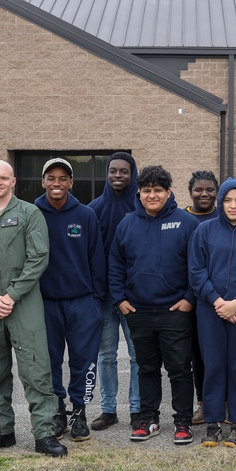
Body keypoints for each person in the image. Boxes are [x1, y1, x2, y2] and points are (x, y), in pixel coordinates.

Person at [0, 160, 67, 457]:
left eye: (3, 177)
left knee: (36, 370)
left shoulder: (29, 214)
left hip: (24, 304)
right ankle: (1, 431)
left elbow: (39, 257)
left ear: (13, 181)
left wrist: (11, 295)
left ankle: (44, 433)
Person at [109, 165, 200, 444]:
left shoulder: (187, 223)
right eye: (146, 190)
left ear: (168, 192)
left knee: (179, 368)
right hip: (138, 310)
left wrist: (189, 299)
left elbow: (198, 266)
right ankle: (148, 419)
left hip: (175, 311)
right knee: (146, 368)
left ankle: (183, 422)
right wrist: (120, 300)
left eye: (157, 190)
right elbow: (115, 264)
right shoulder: (127, 224)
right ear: (139, 192)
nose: (152, 195)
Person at [189, 178, 236, 447]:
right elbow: (196, 272)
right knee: (214, 366)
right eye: (228, 200)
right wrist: (219, 302)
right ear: (220, 202)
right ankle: (213, 422)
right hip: (209, 309)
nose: (233, 205)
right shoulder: (204, 231)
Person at [35, 158, 105, 442]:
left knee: (83, 361)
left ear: (71, 183)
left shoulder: (86, 215)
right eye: (51, 178)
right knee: (49, 362)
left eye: (63, 178)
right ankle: (57, 413)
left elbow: (96, 259)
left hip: (81, 302)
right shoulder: (33, 213)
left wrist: (96, 301)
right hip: (45, 302)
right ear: (43, 182)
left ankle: (79, 413)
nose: (56, 183)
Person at [88, 152, 141, 431]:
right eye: (113, 171)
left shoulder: (141, 206)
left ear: (132, 173)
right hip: (104, 296)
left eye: (123, 171)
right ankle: (108, 409)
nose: (118, 175)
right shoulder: (94, 208)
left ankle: (137, 409)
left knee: (137, 356)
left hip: (134, 297)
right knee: (106, 355)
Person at [185, 170, 220, 424]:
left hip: (222, 301)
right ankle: (203, 404)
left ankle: (225, 403)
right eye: (199, 189)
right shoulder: (183, 219)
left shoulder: (225, 216)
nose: (204, 194)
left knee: (222, 355)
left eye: (209, 190)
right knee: (198, 356)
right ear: (190, 192)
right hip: (190, 300)